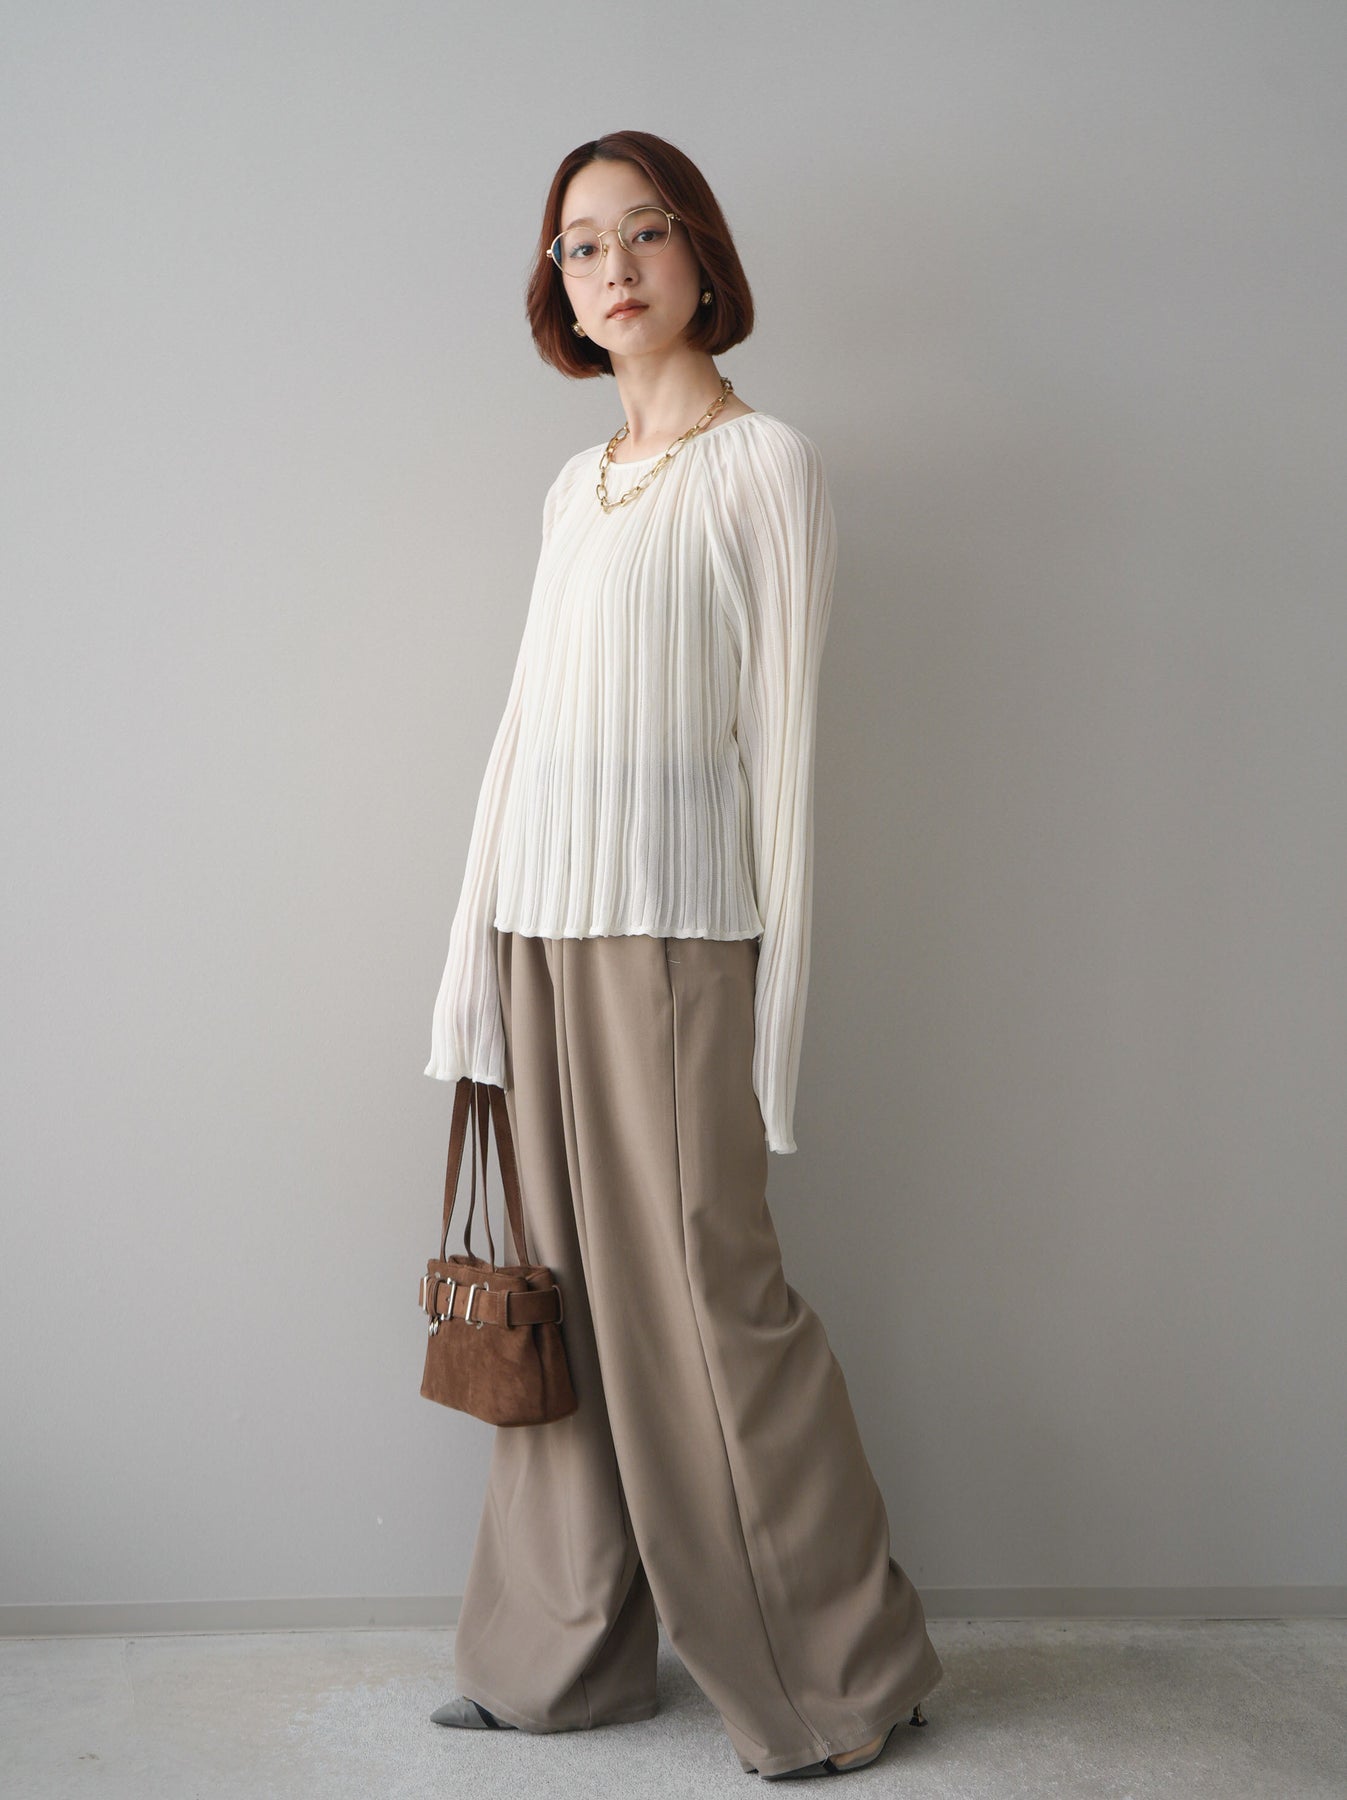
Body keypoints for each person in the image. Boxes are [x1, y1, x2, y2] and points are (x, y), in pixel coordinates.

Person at [421, 130, 943, 1781]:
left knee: (714, 1299)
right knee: (563, 1301)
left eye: (643, 232)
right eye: (581, 246)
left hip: (674, 930)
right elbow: (522, 739)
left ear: (702, 256)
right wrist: (469, 964)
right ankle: (557, 1658)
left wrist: (777, 1026)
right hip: (538, 925)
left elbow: (783, 752)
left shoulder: (766, 464)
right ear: (560, 288)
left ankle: (847, 1674)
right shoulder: (573, 487)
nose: (614, 267)